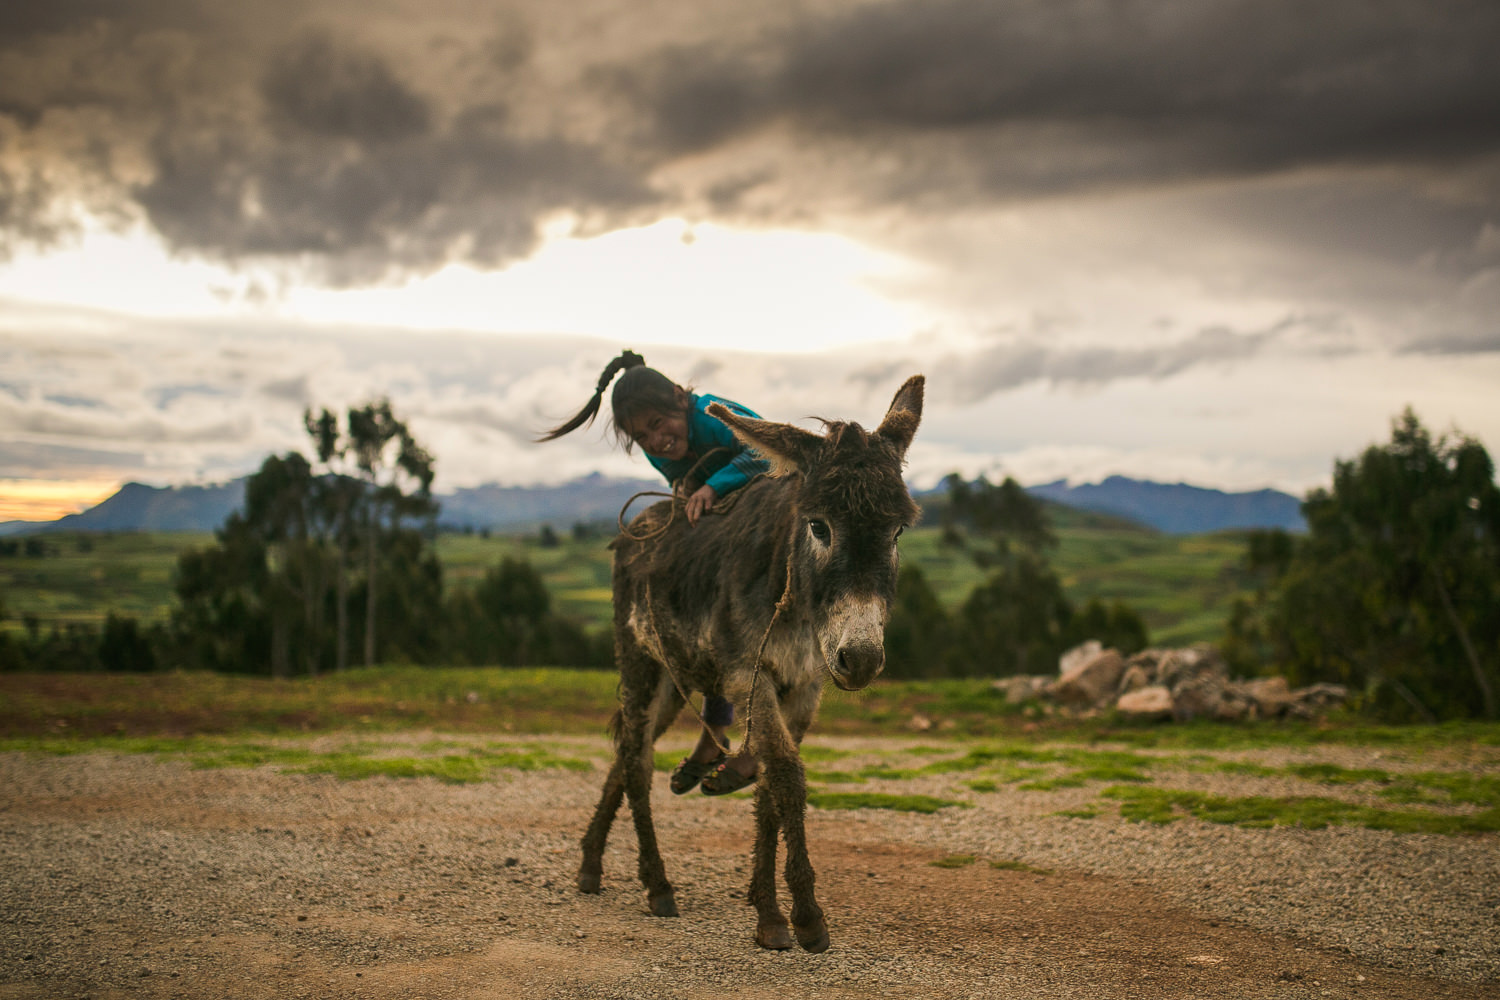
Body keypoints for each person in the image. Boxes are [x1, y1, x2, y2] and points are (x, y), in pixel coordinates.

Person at [539, 349, 765, 795]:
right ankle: (713, 738)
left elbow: (765, 452)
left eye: (660, 425)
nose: (657, 441)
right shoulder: (659, 450)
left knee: (752, 627)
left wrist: (710, 487)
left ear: (681, 399)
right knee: (709, 618)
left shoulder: (715, 415)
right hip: (723, 523)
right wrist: (685, 491)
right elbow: (681, 478)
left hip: (761, 516)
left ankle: (752, 747)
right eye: (643, 437)